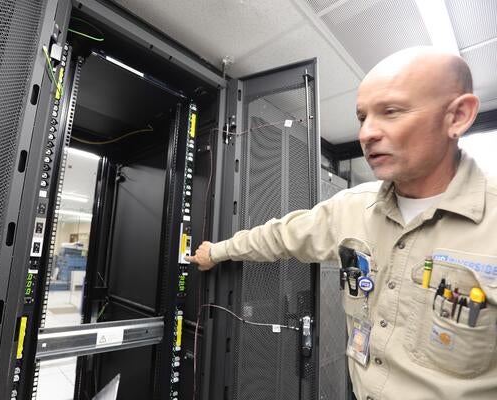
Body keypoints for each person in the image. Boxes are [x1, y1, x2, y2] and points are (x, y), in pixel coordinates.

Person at [186, 46, 497, 400]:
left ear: (457, 116)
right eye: (363, 118)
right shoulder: (352, 209)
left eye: (391, 112)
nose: (367, 134)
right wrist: (218, 251)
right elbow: (280, 236)